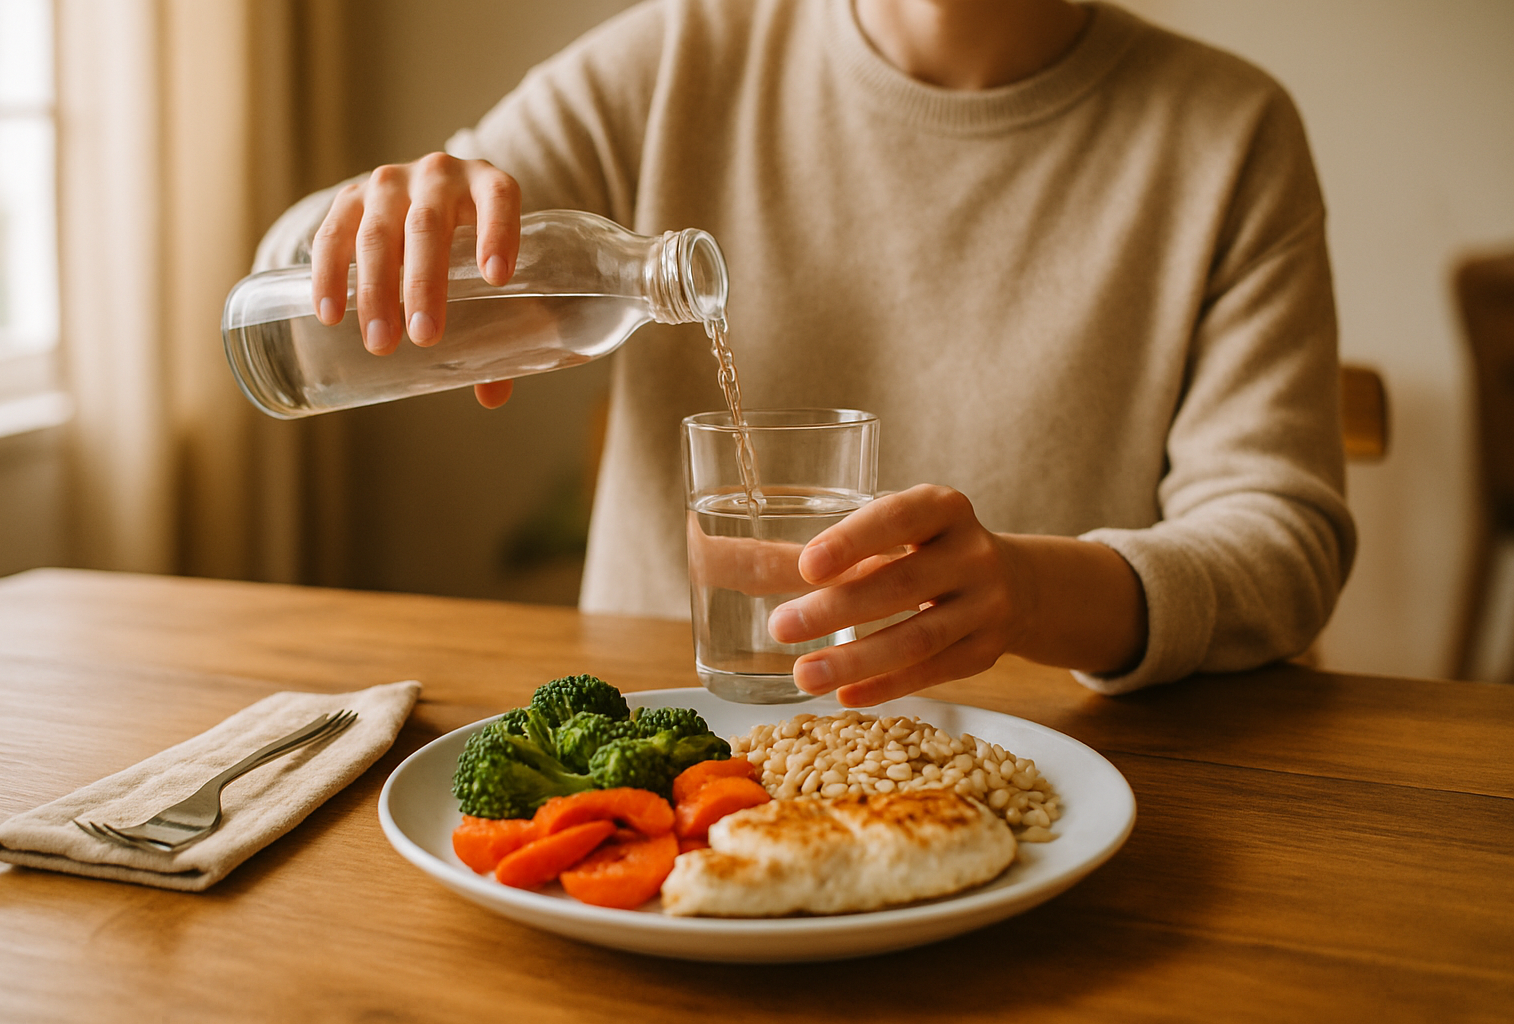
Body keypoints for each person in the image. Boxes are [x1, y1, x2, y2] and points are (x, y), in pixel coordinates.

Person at [263, 0, 1355, 705]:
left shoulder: (1229, 133)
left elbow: (1284, 539)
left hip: (1045, 775)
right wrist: (373, 224)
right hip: (655, 770)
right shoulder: (676, 56)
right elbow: (297, 270)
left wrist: (1031, 590)